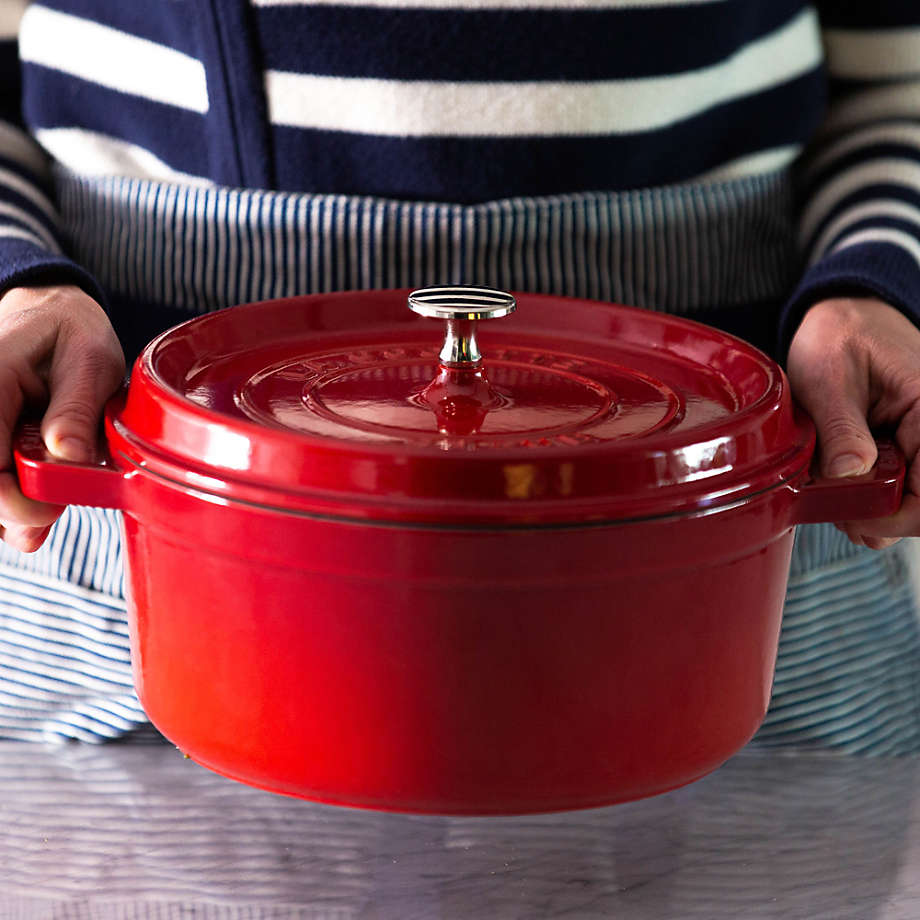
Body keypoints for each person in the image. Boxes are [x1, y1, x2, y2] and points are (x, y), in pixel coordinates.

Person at [0, 0, 918, 747]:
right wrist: (18, 288)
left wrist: (875, 287)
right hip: (134, 569)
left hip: (751, 579)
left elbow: (894, 88)